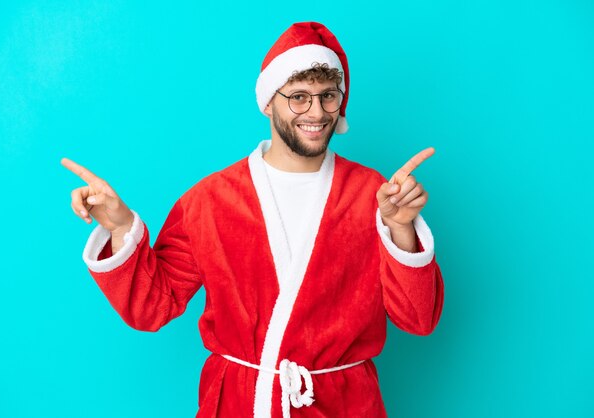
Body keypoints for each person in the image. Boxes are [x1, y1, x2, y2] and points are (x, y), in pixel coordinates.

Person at [62, 21, 444, 418]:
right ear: (267, 102)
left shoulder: (374, 196)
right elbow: (152, 307)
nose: (316, 112)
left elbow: (418, 320)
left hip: (345, 406)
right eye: (298, 97)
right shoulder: (210, 200)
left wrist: (400, 229)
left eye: (328, 97)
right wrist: (122, 227)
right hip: (240, 404)